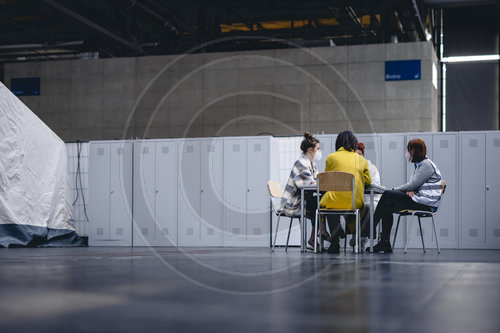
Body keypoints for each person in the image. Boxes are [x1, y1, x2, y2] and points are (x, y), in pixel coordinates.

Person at [370, 139, 442, 253]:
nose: (406, 154)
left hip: (426, 204)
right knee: (387, 205)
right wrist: (411, 188)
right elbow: (413, 185)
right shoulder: (420, 166)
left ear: (413, 151)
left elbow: (413, 184)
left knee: (388, 194)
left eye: (407, 150)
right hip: (420, 200)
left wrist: (397, 189)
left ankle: (370, 228)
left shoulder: (426, 165)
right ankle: (385, 243)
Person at [320, 131, 371, 253]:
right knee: (338, 205)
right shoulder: (361, 160)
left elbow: (325, 181)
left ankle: (335, 242)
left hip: (335, 200)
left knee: (328, 206)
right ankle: (350, 236)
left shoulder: (331, 157)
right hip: (354, 201)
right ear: (354, 143)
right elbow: (368, 181)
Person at [281, 132, 331, 250]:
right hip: (292, 203)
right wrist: (317, 182)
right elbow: (309, 184)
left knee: (322, 202)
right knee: (317, 204)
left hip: (303, 200)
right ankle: (320, 232)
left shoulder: (312, 164)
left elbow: (317, 182)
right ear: (310, 150)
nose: (319, 151)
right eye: (318, 149)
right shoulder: (301, 163)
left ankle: (316, 235)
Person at [354, 142, 382, 251]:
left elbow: (374, 185)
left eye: (360, 155)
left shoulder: (371, 168)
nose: (358, 158)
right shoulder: (350, 167)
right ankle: (355, 235)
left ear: (363, 155)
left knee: (367, 207)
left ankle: (361, 239)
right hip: (354, 200)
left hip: (370, 199)